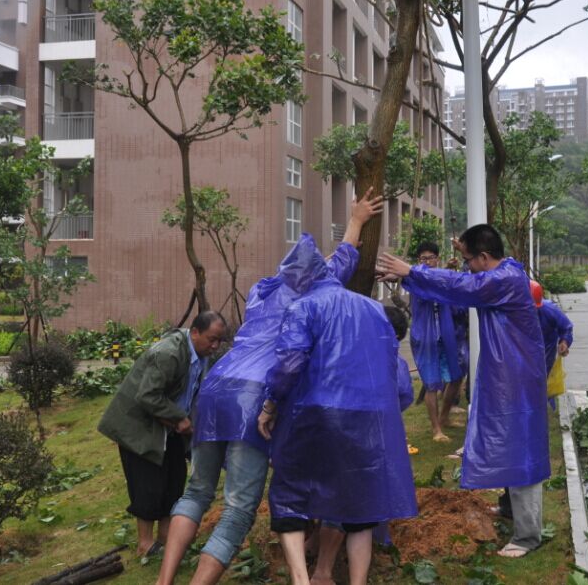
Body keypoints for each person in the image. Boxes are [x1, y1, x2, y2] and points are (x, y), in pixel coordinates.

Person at [155, 191, 382, 585]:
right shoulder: (314, 297)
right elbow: (344, 258)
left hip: (214, 387)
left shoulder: (263, 291)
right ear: (317, 277)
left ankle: (163, 581)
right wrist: (357, 220)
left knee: (197, 491)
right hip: (253, 397)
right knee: (239, 509)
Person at [376, 224, 549, 559]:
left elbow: (462, 286)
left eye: (469, 258)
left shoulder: (503, 281)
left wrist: (412, 271)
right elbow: (468, 279)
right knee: (506, 444)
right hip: (510, 376)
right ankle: (511, 511)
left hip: (517, 381)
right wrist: (459, 254)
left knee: (522, 453)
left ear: (485, 257)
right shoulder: (508, 269)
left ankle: (529, 536)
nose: (466, 265)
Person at [257, 236, 417, 585]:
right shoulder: (374, 309)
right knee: (360, 502)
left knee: (290, 493)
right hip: (370, 417)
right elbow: (392, 367)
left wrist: (269, 405)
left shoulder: (303, 308)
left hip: (317, 416)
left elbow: (288, 364)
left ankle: (302, 579)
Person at [97, 311, 228, 557]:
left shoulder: (201, 354)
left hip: (168, 426)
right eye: (212, 339)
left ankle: (165, 540)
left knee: (173, 480)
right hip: (140, 427)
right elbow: (147, 395)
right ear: (196, 332)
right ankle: (145, 544)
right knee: (148, 485)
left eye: (220, 340)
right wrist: (179, 418)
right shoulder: (168, 353)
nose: (215, 345)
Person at [309, 305, 414, 585]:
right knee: (363, 512)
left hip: (337, 434)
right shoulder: (395, 362)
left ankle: (321, 571)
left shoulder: (346, 352)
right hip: (373, 443)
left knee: (336, 502)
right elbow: (404, 395)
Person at [498, 281, 574, 519]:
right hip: (518, 365)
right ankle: (507, 503)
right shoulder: (510, 314)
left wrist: (564, 342)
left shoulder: (549, 311)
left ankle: (538, 422)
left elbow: (567, 328)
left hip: (543, 361)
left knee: (538, 403)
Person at [408, 241, 467, 442]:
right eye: (423, 259)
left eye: (431, 258)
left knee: (456, 376)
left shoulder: (441, 277)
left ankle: (444, 418)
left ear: (437, 258)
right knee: (431, 383)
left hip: (445, 334)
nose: (427, 262)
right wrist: (447, 271)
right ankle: (436, 430)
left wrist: (450, 270)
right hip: (425, 338)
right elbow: (430, 283)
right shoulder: (415, 279)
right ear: (418, 261)